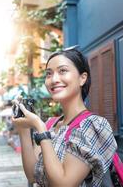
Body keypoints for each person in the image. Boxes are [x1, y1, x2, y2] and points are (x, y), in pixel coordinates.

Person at [12, 46, 117, 187]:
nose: (54, 79)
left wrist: (40, 127)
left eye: (63, 71)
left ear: (82, 78)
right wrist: (23, 130)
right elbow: (33, 176)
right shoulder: (51, 124)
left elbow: (63, 184)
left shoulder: (93, 125)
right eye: (49, 74)